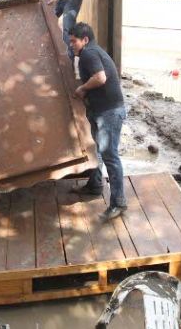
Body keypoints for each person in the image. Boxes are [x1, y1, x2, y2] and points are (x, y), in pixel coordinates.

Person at [67, 22, 127, 221]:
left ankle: (118, 203)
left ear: (84, 40)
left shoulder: (89, 53)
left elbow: (100, 78)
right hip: (102, 110)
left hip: (109, 112)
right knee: (96, 150)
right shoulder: (90, 52)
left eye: (74, 41)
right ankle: (95, 185)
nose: (71, 45)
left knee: (110, 156)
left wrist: (83, 88)